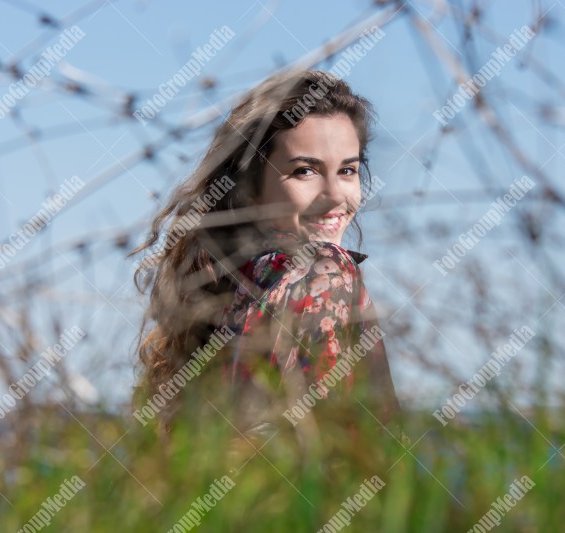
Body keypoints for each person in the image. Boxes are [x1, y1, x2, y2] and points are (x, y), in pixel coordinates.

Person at [130, 70, 401, 456]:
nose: (335, 195)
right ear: (249, 189)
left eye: (347, 170)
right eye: (304, 171)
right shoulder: (325, 269)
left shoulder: (233, 291)